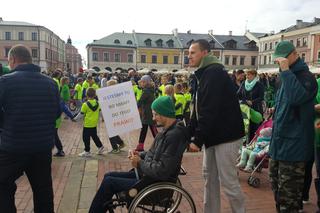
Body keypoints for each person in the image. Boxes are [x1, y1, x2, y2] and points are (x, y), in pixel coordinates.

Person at [89, 96, 189, 213]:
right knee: (108, 176)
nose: (153, 118)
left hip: (154, 182)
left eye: (155, 114)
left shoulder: (173, 136)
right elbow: (155, 153)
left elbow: (161, 171)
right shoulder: (167, 131)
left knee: (109, 183)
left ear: (164, 113)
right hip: (148, 176)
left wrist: (139, 163)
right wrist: (140, 154)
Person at [0, 44, 61, 212]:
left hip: (13, 146)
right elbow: (56, 112)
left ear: (12, 59)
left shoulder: (5, 82)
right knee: (43, 191)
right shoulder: (50, 83)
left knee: (3, 186)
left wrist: (6, 126)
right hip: (42, 147)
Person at [188, 39, 245, 213]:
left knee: (228, 181)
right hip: (213, 136)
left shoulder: (214, 73)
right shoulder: (204, 73)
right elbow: (197, 109)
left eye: (192, 52)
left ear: (205, 53)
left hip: (227, 136)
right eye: (188, 53)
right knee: (209, 179)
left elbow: (209, 109)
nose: (188, 56)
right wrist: (189, 133)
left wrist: (197, 140)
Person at [269, 40, 318, 213]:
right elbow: (285, 104)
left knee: (289, 199)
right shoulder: (283, 77)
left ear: (294, 55)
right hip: (278, 144)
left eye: (282, 59)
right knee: (277, 192)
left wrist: (286, 71)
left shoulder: (308, 78)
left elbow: (296, 97)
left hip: (295, 147)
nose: (279, 62)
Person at [76, 88, 105, 157]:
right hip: (94, 123)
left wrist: (75, 119)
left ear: (86, 95)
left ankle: (87, 151)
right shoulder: (98, 103)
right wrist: (102, 118)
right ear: (95, 95)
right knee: (94, 136)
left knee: (85, 137)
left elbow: (81, 114)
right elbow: (100, 112)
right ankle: (100, 146)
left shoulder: (85, 104)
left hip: (87, 124)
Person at [238, 69, 265, 141]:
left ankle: (254, 144)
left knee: (255, 128)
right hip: (245, 109)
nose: (247, 76)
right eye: (246, 75)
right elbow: (238, 94)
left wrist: (252, 102)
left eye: (249, 75)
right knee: (246, 127)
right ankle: (246, 144)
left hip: (256, 108)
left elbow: (261, 97)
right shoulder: (244, 83)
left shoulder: (259, 84)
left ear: (254, 75)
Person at [135, 75, 158, 151]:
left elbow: (140, 101)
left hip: (149, 113)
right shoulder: (147, 90)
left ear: (145, 82)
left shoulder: (147, 91)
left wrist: (134, 107)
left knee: (153, 130)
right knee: (145, 130)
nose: (140, 83)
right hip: (147, 113)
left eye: (141, 82)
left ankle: (159, 144)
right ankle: (140, 145)